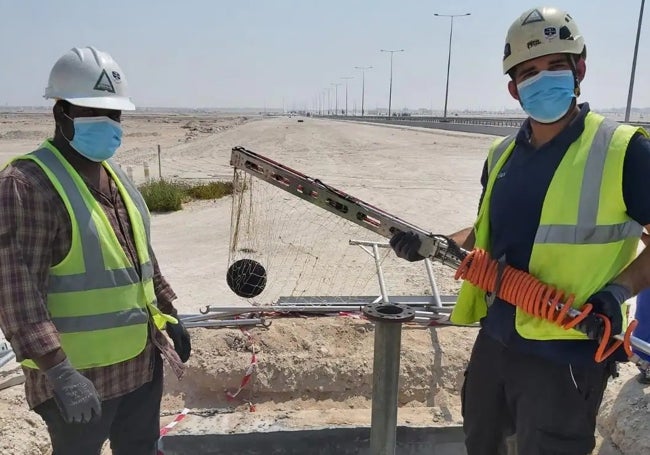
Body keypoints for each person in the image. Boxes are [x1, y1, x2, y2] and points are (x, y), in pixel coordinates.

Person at [391, 6, 650, 455]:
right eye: (529, 72)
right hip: (497, 341)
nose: (543, 78)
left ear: (579, 69)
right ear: (513, 88)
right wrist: (434, 244)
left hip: (568, 352)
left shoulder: (624, 150)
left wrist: (617, 292)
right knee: (482, 444)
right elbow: (485, 229)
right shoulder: (502, 153)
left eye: (556, 65)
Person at [0, 46, 191, 455]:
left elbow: (141, 258)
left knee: (141, 448)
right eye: (92, 113)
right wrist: (60, 372)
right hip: (78, 379)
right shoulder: (27, 185)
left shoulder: (117, 177)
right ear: (61, 113)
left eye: (115, 115)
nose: (108, 125)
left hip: (140, 363)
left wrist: (169, 311)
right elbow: (16, 295)